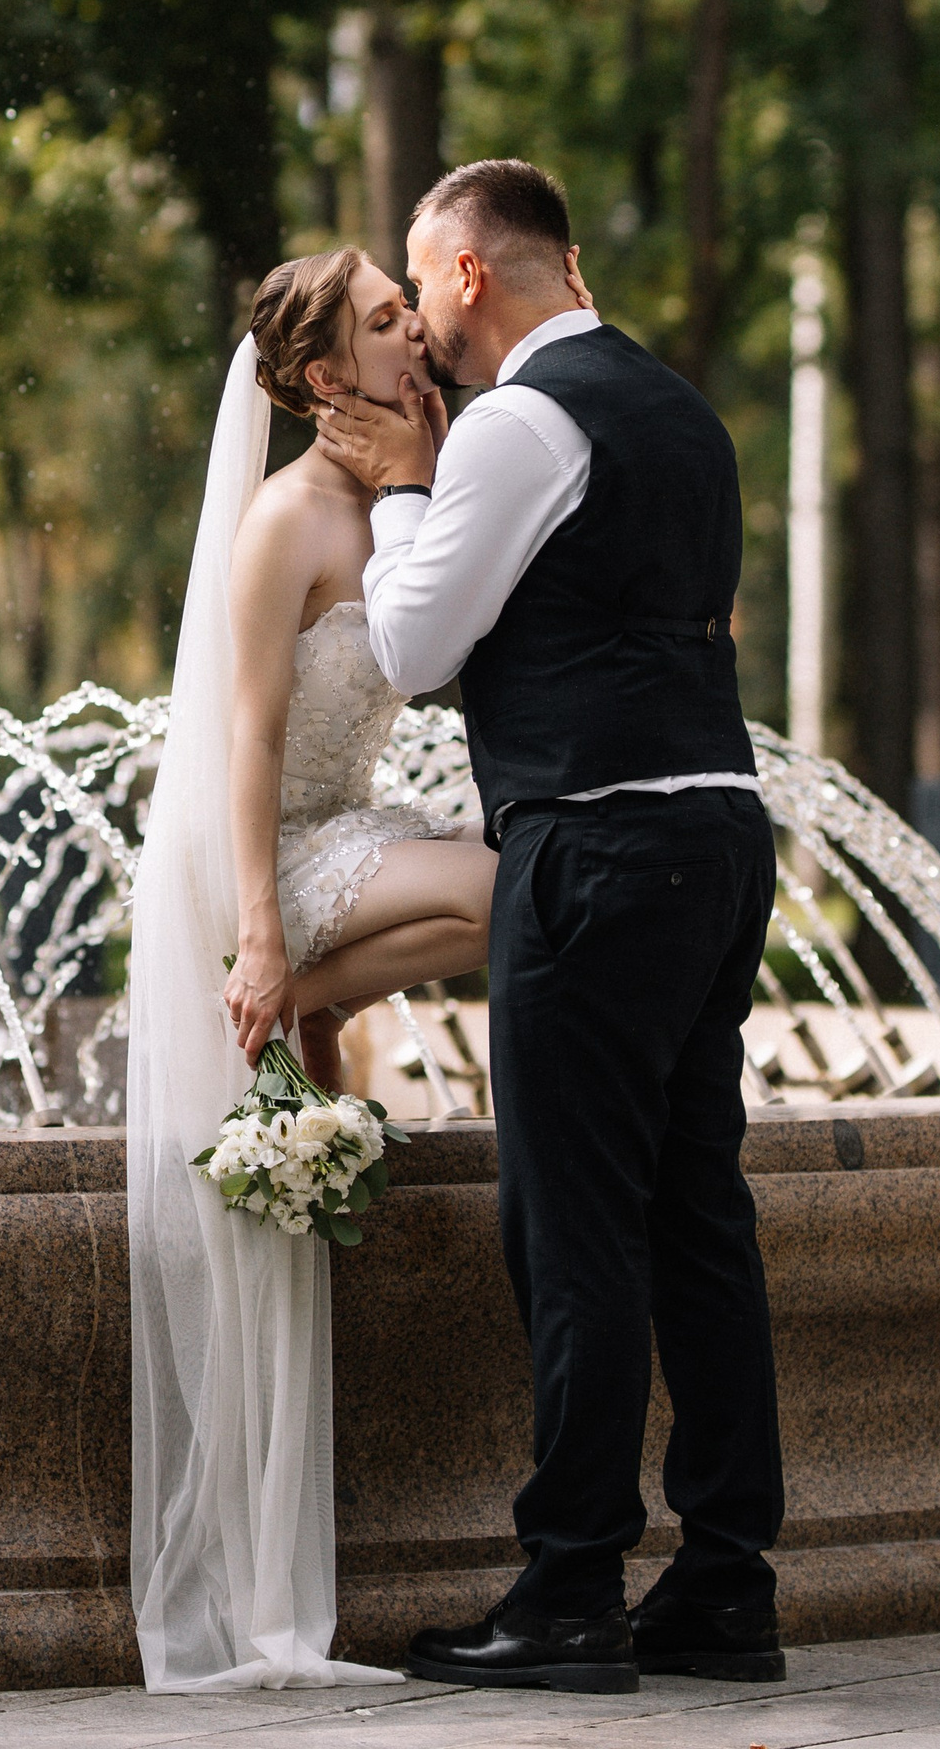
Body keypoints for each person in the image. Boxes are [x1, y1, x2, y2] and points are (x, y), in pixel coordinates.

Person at [314, 157, 785, 1700]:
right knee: (696, 1217)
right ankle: (723, 1584)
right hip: (719, 828)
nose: (420, 345)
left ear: (465, 274)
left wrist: (400, 489)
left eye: (416, 291)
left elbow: (417, 639)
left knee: (572, 1221)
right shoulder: (682, 412)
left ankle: (571, 1587)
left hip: (596, 840)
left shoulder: (520, 419)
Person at [125, 249, 497, 1692]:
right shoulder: (285, 521)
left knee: (519, 901)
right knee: (521, 896)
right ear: (326, 373)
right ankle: (314, 981)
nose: (418, 326)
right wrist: (267, 934)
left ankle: (336, 1000)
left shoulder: (414, 478)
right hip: (277, 850)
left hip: (360, 826)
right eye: (390, 318)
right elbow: (251, 742)